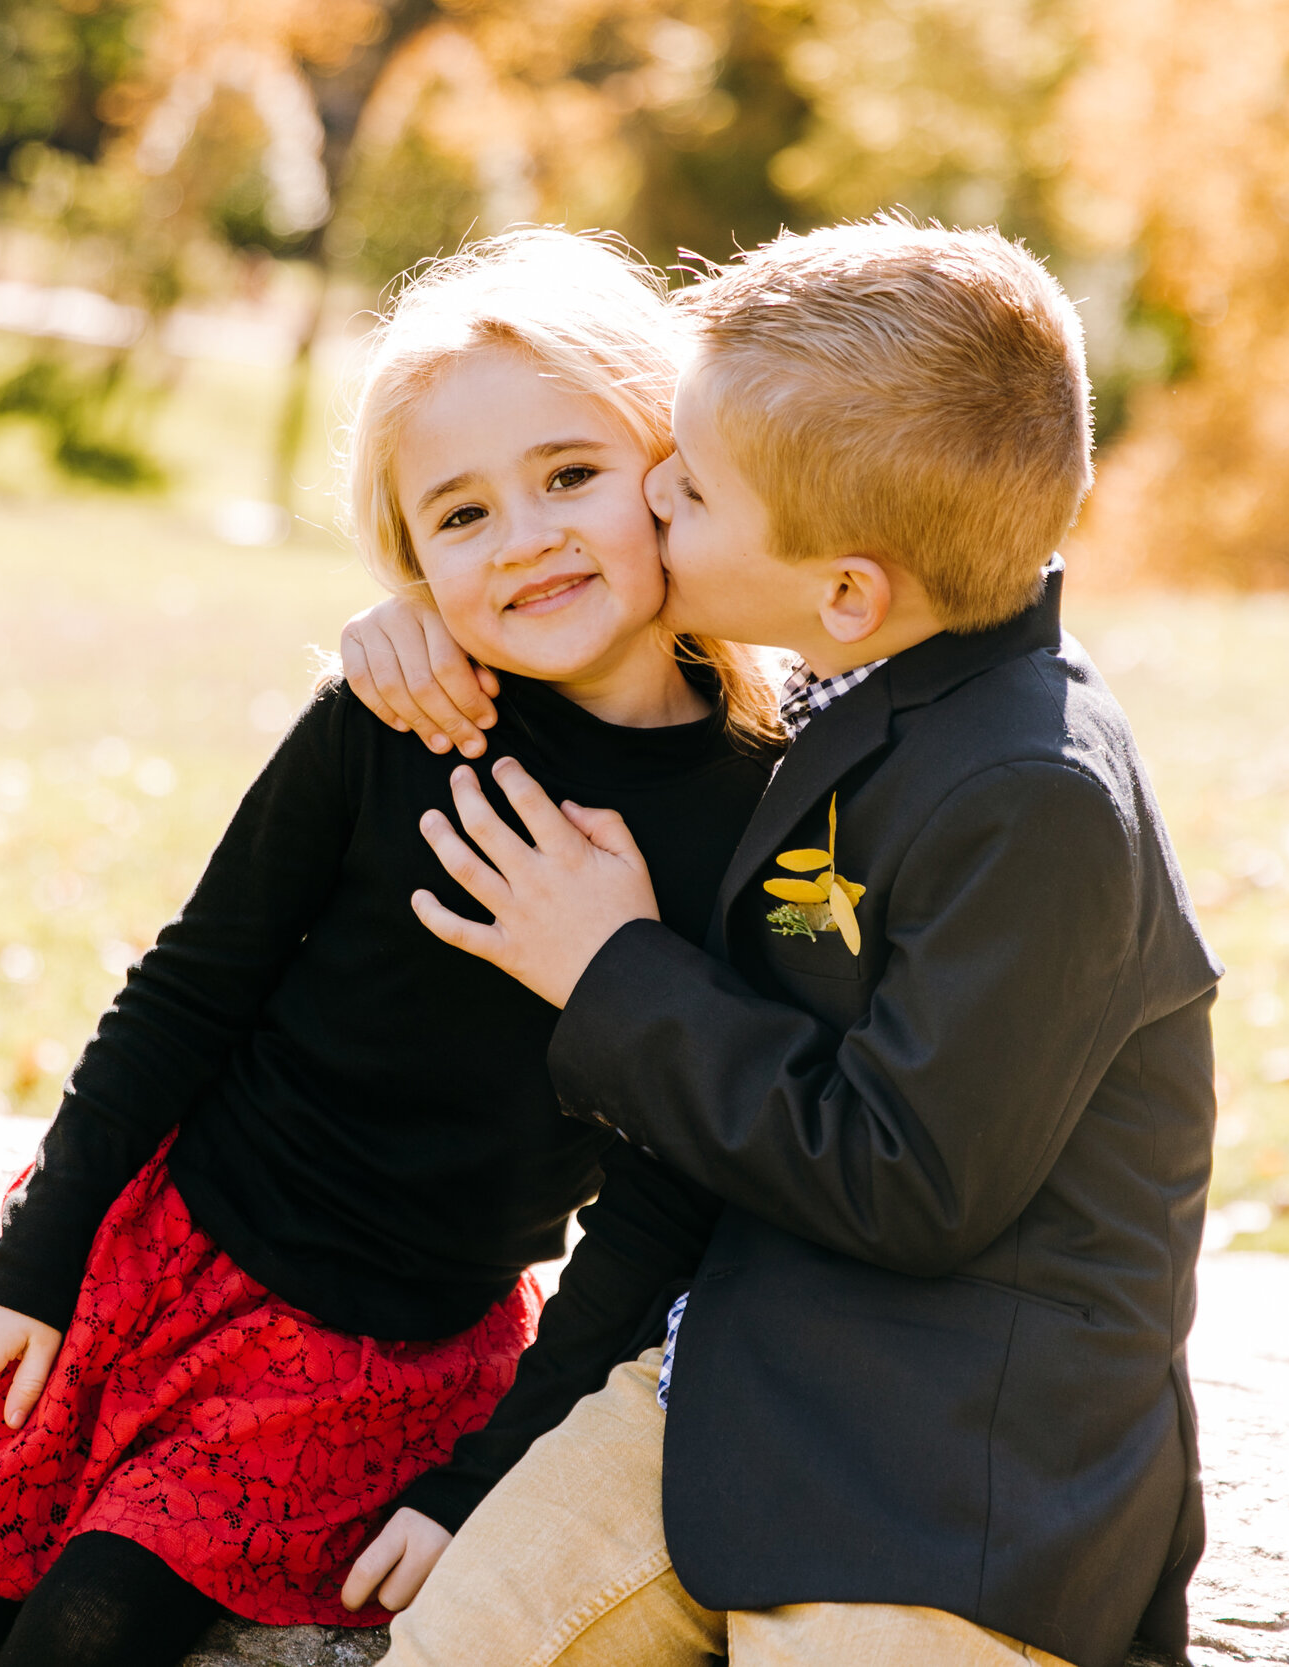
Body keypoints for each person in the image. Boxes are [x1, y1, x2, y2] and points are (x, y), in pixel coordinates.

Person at [0, 228, 780, 1667]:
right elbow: (191, 987)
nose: (524, 538)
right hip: (165, 1249)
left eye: (570, 474)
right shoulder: (398, 718)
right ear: (410, 559)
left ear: (673, 465)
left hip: (376, 1363)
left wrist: (478, 1477)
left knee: (88, 1634)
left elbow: (659, 1203)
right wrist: (25, 1269)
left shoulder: (762, 818)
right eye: (460, 515)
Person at [339, 216, 1222, 1667]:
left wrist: (611, 968)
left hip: (962, 1465)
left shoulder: (1038, 796)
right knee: (457, 1643)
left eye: (687, 486)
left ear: (847, 592)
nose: (649, 494)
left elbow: (911, 1182)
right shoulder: (839, 672)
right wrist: (415, 627)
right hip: (731, 1372)